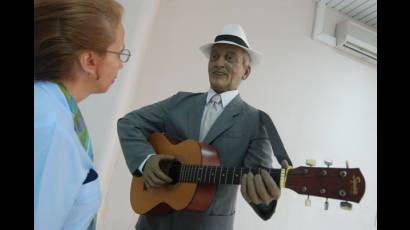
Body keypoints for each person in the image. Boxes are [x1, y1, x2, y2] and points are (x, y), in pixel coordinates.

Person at [117, 24, 292, 230]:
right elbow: (129, 124)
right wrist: (147, 161)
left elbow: (259, 186)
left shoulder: (256, 121)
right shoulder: (179, 102)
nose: (218, 63)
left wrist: (264, 196)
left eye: (229, 58)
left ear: (246, 72)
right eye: (214, 57)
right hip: (155, 223)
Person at [34, 0, 130, 229]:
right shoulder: (52, 126)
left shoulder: (54, 106)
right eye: (119, 53)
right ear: (90, 61)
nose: (120, 65)